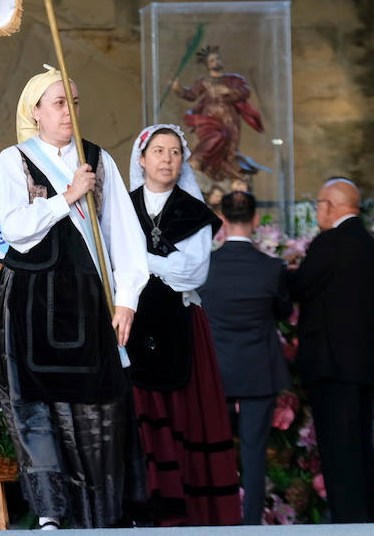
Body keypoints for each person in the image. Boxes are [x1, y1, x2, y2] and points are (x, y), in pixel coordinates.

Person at [0, 67, 149, 529]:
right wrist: (67, 196)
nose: (69, 112)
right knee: (35, 405)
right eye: (60, 103)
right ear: (35, 112)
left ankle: (97, 511)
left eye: (74, 103)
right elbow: (15, 229)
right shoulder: (14, 159)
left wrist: (127, 298)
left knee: (96, 403)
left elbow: (124, 233)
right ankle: (50, 512)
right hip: (30, 301)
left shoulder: (98, 159)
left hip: (88, 299)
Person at [124, 124, 240, 526]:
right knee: (137, 411)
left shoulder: (193, 212)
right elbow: (108, 261)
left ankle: (186, 511)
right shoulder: (122, 208)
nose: (167, 159)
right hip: (132, 322)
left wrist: (137, 260)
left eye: (175, 152)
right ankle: (142, 508)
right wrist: (156, 264)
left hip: (180, 324)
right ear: (142, 159)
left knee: (183, 414)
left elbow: (191, 273)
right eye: (158, 151)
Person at [288, 177, 374, 523]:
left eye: (318, 203)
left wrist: (280, 272)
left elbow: (300, 286)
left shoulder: (330, 242)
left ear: (332, 206)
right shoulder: (371, 246)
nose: (317, 210)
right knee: (359, 447)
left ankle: (347, 522)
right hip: (361, 364)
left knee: (337, 451)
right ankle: (368, 519)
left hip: (329, 365)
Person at [198, 190, 292, 525]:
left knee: (214, 449)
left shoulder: (205, 265)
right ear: (254, 219)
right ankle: (251, 524)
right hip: (259, 369)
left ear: (221, 219)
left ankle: (216, 520)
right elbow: (284, 311)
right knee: (254, 451)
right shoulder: (272, 267)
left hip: (217, 370)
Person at [168, 46, 264, 184]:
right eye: (212, 60)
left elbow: (245, 91)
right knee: (217, 136)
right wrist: (179, 89)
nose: (216, 61)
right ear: (207, 65)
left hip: (230, 119)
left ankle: (219, 172)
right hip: (209, 119)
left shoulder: (233, 79)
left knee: (228, 149)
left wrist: (228, 91)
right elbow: (191, 94)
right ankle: (196, 160)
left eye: (217, 58)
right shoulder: (204, 81)